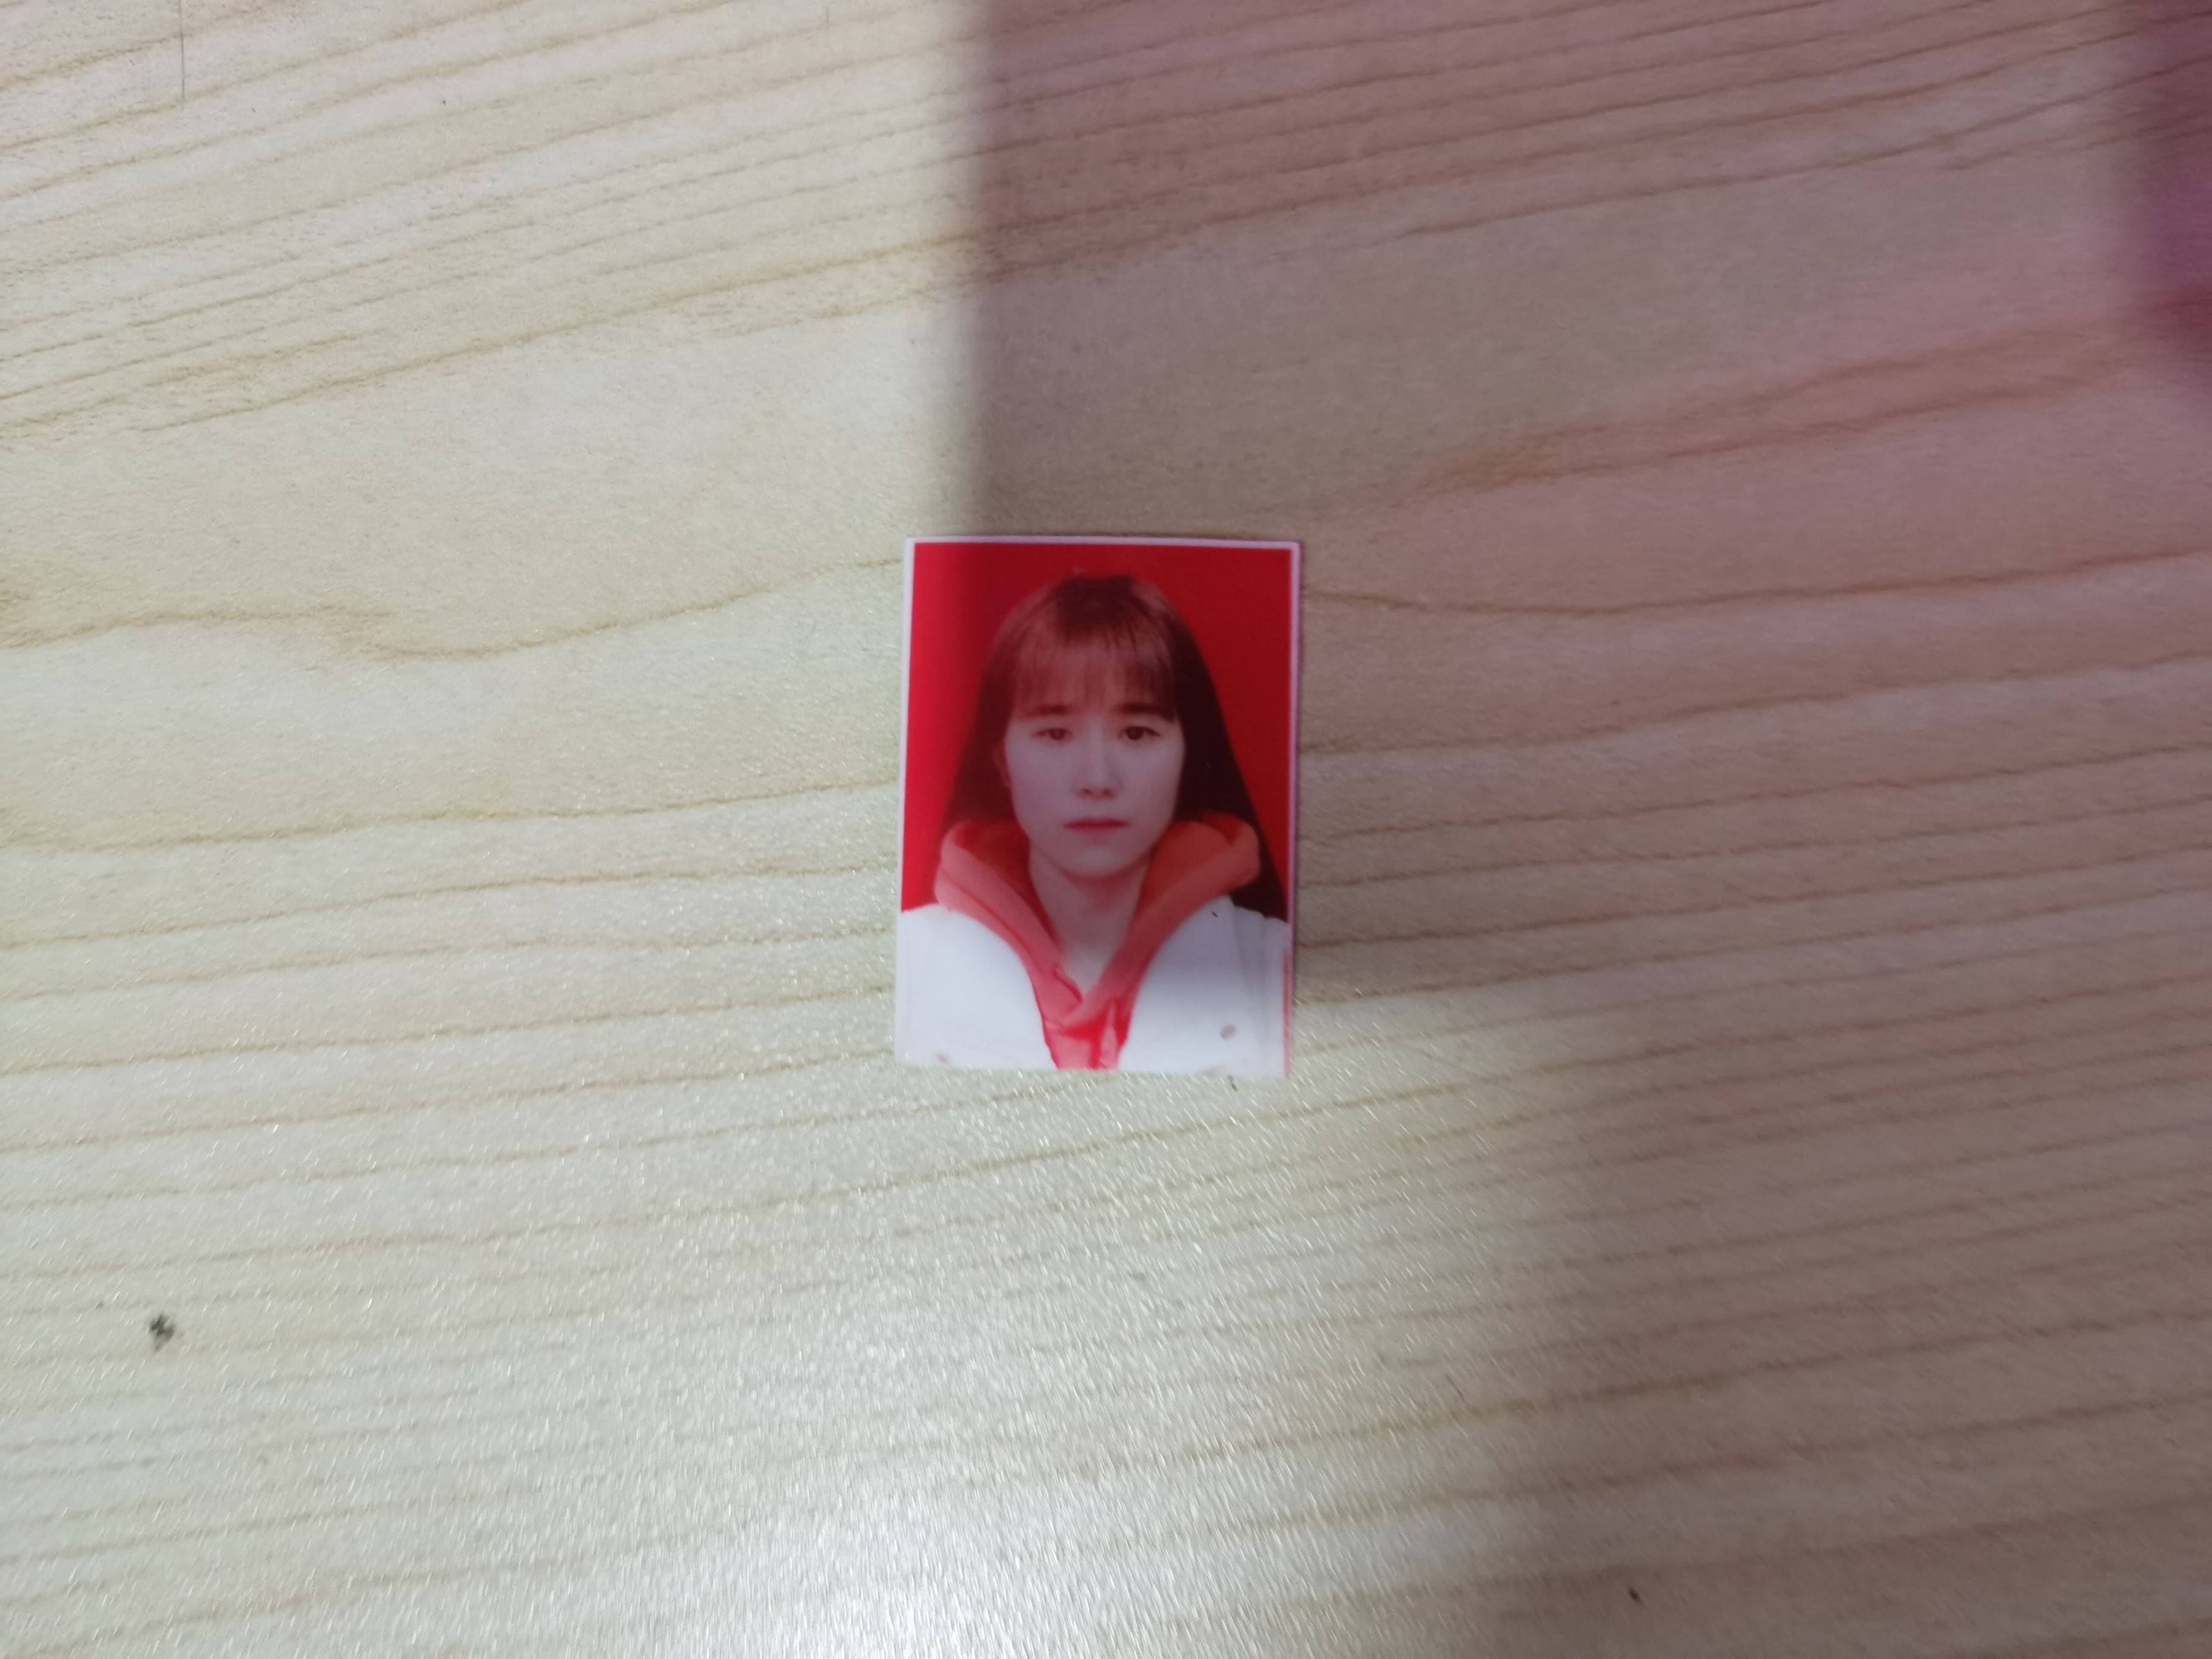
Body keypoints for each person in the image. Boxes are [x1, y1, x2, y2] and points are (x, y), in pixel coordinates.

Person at [897, 572, 1290, 1073]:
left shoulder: (1280, 966)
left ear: (1187, 755)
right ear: (1002, 763)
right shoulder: (902, 963)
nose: (1098, 780)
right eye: (1056, 733)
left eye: (1137, 732)